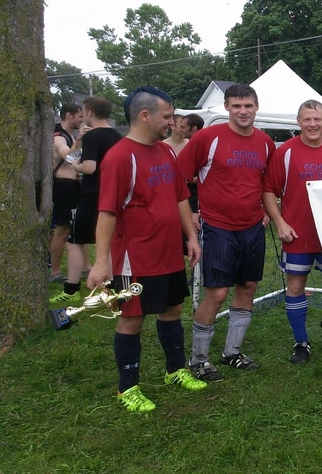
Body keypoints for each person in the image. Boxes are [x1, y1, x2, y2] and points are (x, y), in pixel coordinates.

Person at [87, 86, 207, 413]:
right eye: (167, 116)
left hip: (168, 252)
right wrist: (101, 262)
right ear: (145, 115)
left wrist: (191, 238)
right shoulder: (120, 157)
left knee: (171, 311)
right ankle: (128, 389)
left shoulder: (167, 152)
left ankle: (175, 371)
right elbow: (107, 212)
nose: (172, 122)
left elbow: (180, 196)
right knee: (132, 318)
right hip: (134, 259)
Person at [177, 84, 275, 382]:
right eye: (236, 106)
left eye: (248, 106)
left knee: (247, 287)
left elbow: (266, 182)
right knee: (217, 293)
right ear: (227, 108)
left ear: (256, 107)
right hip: (217, 226)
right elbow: (180, 179)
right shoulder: (208, 137)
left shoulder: (266, 142)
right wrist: (193, 211)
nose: (242, 111)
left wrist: (268, 212)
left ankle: (232, 352)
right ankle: (198, 359)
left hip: (252, 227)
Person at [262, 100, 322, 363]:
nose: (312, 124)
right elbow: (269, 189)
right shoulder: (286, 152)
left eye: (317, 119)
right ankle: (301, 342)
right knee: (295, 287)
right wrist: (280, 222)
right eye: (307, 119)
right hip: (298, 233)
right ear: (298, 122)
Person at [63, 97, 122, 302]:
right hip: (113, 195)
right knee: (109, 240)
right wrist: (78, 141)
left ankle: (70, 289)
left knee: (74, 241)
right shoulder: (117, 135)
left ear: (89, 112)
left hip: (92, 195)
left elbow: (88, 167)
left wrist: (76, 168)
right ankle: (113, 285)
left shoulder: (93, 136)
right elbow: (71, 156)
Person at [49, 102, 87, 287]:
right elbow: (69, 157)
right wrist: (79, 140)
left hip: (74, 186)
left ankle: (86, 266)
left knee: (79, 227)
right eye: (79, 116)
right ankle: (55, 271)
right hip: (63, 187)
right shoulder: (58, 136)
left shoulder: (70, 136)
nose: (82, 120)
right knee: (62, 230)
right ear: (68, 115)